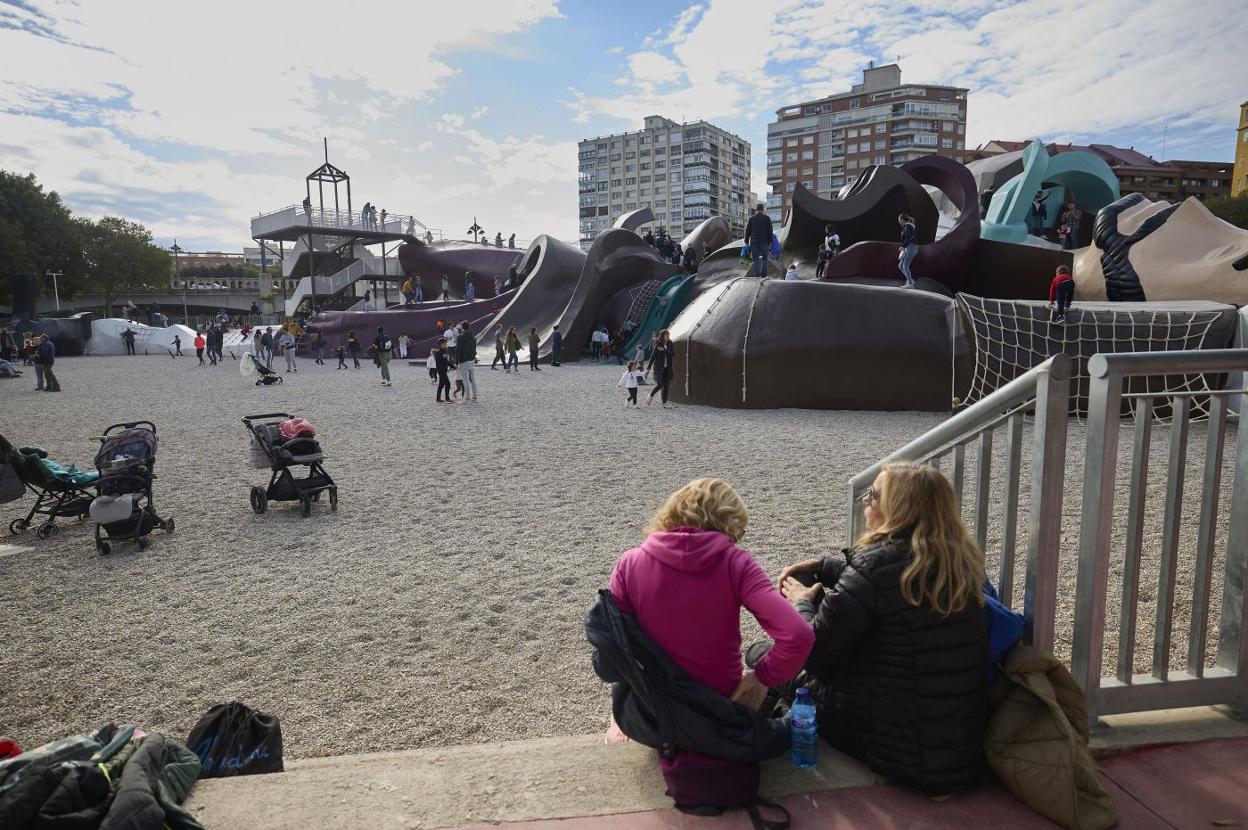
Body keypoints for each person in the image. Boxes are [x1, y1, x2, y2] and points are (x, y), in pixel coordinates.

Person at [774, 461, 988, 794]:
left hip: (900, 754)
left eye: (873, 496)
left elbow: (811, 654)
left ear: (898, 511)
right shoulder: (961, 562)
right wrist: (824, 567)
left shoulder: (874, 570)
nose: (865, 501)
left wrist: (800, 601)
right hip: (960, 754)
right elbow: (887, 579)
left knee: (768, 658)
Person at [603, 477, 813, 744]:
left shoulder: (629, 564)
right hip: (719, 710)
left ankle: (618, 729)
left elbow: (612, 653)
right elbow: (799, 635)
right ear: (729, 525)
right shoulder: (736, 565)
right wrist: (762, 678)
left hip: (656, 715)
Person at [646, 329, 674, 408]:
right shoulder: (658, 344)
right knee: (660, 384)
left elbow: (672, 354)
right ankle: (650, 395)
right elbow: (653, 357)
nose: (668, 336)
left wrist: (665, 349)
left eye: (668, 334)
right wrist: (648, 367)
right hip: (658, 368)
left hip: (667, 369)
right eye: (666, 335)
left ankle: (664, 403)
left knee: (666, 386)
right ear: (662, 336)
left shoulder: (670, 343)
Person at [745, 203, 773, 279]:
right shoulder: (767, 218)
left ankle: (756, 275)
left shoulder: (751, 219)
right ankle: (764, 275)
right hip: (764, 242)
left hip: (754, 243)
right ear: (763, 209)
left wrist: (746, 241)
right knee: (764, 259)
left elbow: (748, 231)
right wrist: (771, 242)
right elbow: (770, 231)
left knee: (756, 259)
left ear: (757, 209)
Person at [456, 320, 478, 402]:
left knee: (466, 380)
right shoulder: (473, 337)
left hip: (464, 361)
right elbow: (475, 349)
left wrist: (456, 361)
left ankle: (467, 398)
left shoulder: (460, 337)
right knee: (472, 379)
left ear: (462, 327)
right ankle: (475, 397)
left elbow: (458, 350)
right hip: (471, 360)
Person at [897, 213, 917, 288]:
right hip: (910, 248)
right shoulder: (909, 226)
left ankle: (910, 284)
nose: (899, 222)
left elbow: (908, 239)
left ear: (902, 220)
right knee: (900, 266)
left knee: (905, 266)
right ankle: (910, 280)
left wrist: (903, 246)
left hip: (910, 248)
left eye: (899, 220)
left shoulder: (908, 227)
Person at [433, 337, 453, 403]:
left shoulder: (445, 351)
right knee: (448, 384)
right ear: (441, 344)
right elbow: (438, 362)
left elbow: (446, 361)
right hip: (441, 371)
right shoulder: (439, 352)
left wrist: (452, 366)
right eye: (445, 343)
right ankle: (447, 398)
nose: (446, 344)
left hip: (444, 370)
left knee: (441, 384)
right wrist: (442, 369)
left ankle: (438, 398)